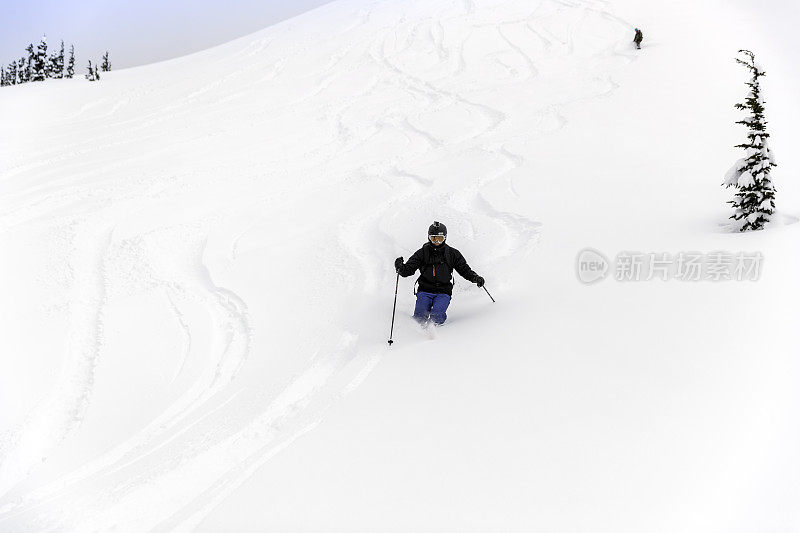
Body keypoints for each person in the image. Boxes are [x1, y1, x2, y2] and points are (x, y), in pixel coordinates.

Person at [394, 221, 484, 326]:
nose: (436, 241)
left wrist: (475, 278)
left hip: (443, 291)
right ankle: (416, 334)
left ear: (445, 238)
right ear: (428, 237)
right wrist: (401, 268)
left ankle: (435, 334)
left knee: (437, 315)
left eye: (440, 239)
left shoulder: (452, 254)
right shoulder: (422, 253)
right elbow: (408, 270)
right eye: (433, 238)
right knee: (419, 318)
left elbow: (464, 269)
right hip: (425, 290)